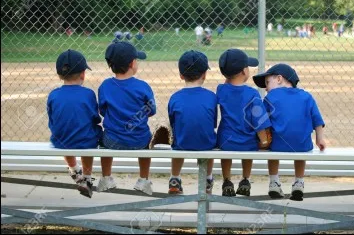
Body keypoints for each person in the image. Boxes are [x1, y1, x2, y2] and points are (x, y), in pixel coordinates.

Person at [253, 63, 326, 201]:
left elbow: (263, 122)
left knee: (272, 149)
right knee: (301, 148)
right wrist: (320, 139)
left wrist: (262, 141)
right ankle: (299, 182)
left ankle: (274, 182)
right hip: (302, 145)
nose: (267, 89)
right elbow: (317, 119)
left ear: (279, 79)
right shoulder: (306, 96)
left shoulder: (271, 97)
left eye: (267, 83)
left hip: (278, 145)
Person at [98, 41, 156, 195]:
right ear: (132, 63)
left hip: (112, 141)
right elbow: (151, 110)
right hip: (139, 140)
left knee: (104, 138)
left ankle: (106, 178)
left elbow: (103, 110)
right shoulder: (143, 86)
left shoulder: (105, 86)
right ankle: (143, 180)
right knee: (147, 142)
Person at [47, 49, 102, 198]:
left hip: (60, 141)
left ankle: (74, 170)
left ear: (59, 75)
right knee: (89, 134)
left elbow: (52, 119)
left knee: (64, 133)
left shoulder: (53, 95)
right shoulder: (88, 94)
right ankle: (87, 177)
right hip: (86, 141)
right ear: (83, 74)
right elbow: (95, 118)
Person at [217, 49, 272, 197]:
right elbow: (259, 122)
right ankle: (245, 180)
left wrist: (228, 77)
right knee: (249, 149)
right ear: (243, 71)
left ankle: (227, 181)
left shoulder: (221, 90)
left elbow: (227, 85)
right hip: (247, 141)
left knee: (225, 154)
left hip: (225, 141)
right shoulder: (252, 93)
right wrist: (264, 141)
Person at [167, 50, 217, 195]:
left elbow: (173, 123)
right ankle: (207, 179)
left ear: (181, 75)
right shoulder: (211, 97)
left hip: (182, 143)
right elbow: (212, 124)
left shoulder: (175, 97)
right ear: (204, 74)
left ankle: (174, 179)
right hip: (205, 144)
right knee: (210, 138)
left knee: (178, 138)